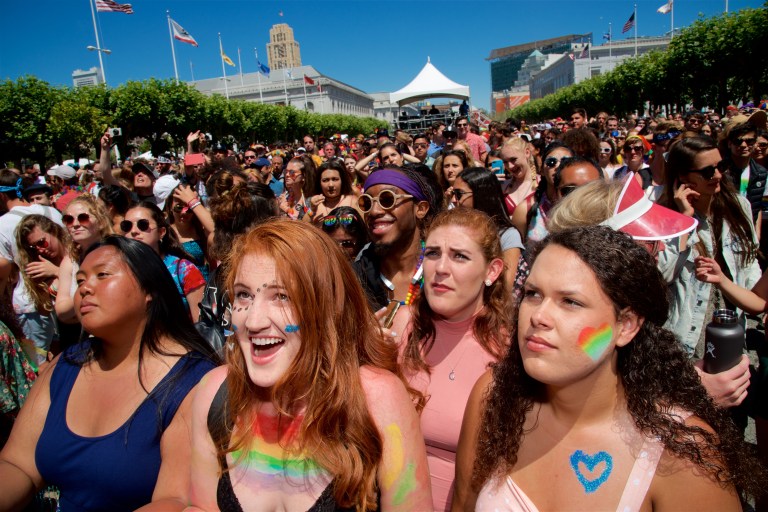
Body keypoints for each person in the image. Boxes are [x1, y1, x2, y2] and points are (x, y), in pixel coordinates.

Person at [454, 226, 765, 511]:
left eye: (570, 302)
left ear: (626, 325)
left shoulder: (682, 455)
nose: (539, 316)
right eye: (533, 294)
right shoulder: (493, 397)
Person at [186, 220, 432, 511]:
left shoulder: (376, 398)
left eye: (281, 296)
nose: (253, 321)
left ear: (325, 306)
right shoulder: (215, 394)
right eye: (244, 295)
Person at [0, 236, 218, 511]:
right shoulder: (66, 365)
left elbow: (174, 499)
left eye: (102, 275)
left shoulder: (193, 381)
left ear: (149, 288)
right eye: (79, 280)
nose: (84, 288)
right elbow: (18, 464)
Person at [397, 208, 510, 511]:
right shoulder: (403, 326)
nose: (441, 268)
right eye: (432, 254)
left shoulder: (510, 352)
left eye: (459, 256)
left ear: (492, 271)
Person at [354, 166, 443, 310]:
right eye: (367, 202)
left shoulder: (445, 270)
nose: (374, 211)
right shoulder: (353, 281)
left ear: (420, 209)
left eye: (388, 199)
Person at [122, 202, 206, 322]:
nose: (134, 231)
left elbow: (201, 323)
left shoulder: (184, 269)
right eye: (127, 226)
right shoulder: (119, 271)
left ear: (161, 232)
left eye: (143, 224)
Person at [452, 167, 524, 291]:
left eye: (459, 194)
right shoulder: (455, 228)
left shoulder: (508, 236)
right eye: (453, 193)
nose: (454, 200)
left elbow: (505, 287)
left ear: (481, 194)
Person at [164, 183, 215, 282]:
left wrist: (193, 202)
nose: (183, 212)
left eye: (189, 209)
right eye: (178, 207)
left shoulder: (203, 231)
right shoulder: (163, 232)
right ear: (170, 207)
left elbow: (215, 229)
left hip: (203, 286)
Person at [526, 142, 575, 243]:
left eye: (566, 161)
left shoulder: (584, 205)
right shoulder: (526, 208)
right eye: (551, 162)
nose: (558, 166)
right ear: (542, 171)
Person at [500, 138, 538, 239]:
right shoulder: (503, 186)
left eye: (513, 159)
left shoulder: (542, 184)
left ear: (527, 152)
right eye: (505, 162)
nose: (510, 166)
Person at [278, 155, 315, 221]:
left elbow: (311, 215)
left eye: (292, 172)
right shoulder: (285, 196)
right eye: (286, 171)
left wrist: (286, 210)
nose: (287, 175)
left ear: (304, 176)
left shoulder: (311, 199)